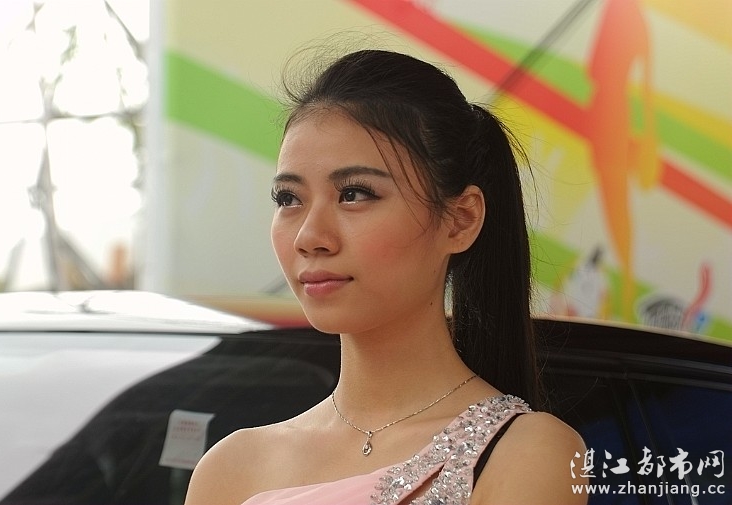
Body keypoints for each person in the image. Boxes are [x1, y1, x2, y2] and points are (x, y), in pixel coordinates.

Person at [185, 49, 587, 505]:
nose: (310, 237)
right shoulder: (231, 468)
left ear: (460, 220)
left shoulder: (528, 453)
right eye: (288, 199)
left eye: (354, 194)